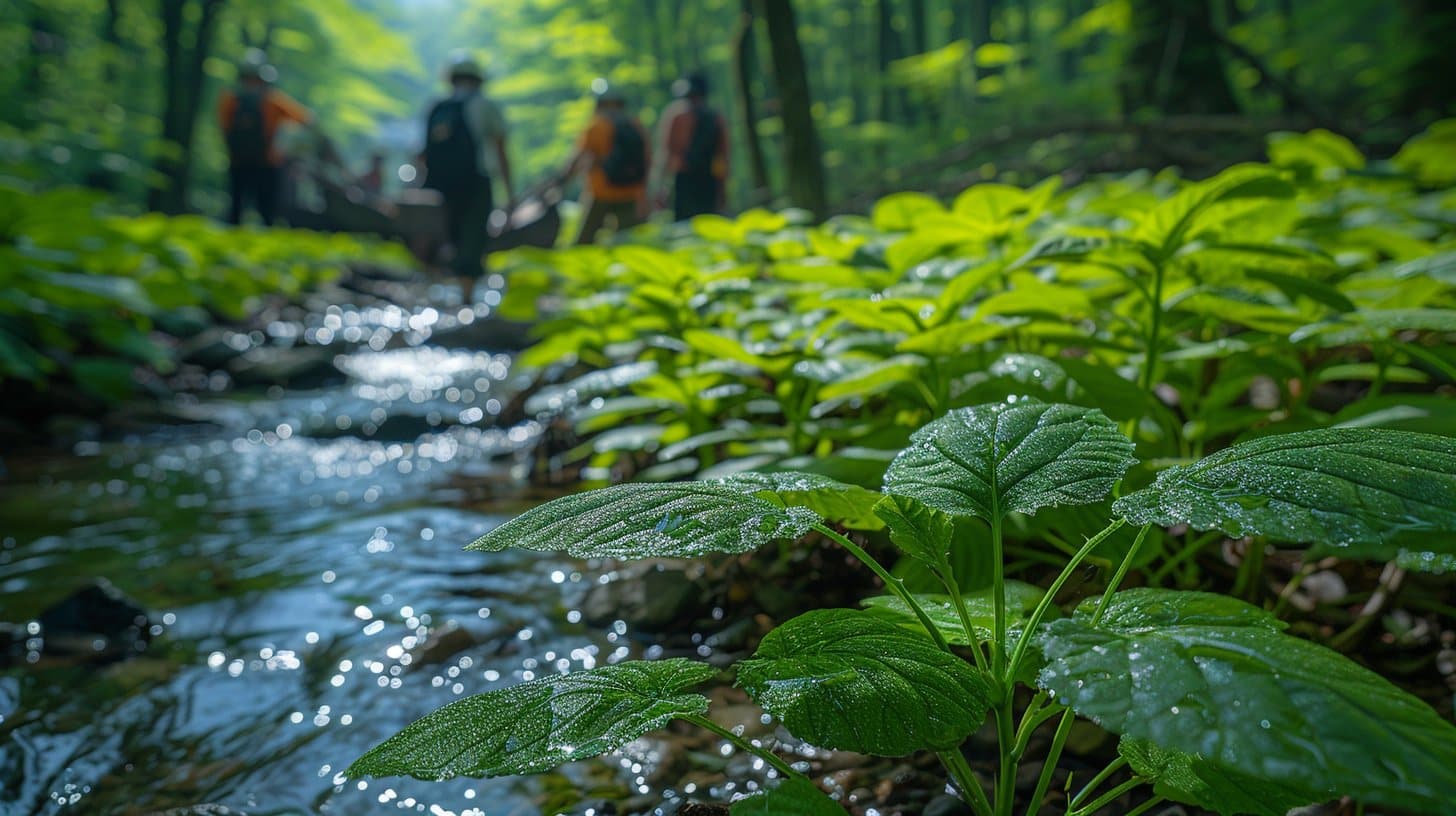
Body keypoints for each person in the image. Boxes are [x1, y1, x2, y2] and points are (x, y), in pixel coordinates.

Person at [421, 51, 513, 279]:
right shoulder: (486, 106)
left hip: (440, 186)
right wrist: (509, 192)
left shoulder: (437, 107)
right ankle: (466, 298)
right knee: (473, 239)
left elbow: (422, 154)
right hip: (476, 182)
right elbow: (500, 151)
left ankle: (435, 291)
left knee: (446, 235)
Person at [217, 55, 314, 226]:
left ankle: (232, 239)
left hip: (238, 161)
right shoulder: (273, 100)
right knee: (267, 208)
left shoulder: (230, 99)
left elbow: (224, 128)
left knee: (236, 205)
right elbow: (306, 119)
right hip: (267, 162)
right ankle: (266, 240)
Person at [561, 82, 650, 245]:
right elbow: (646, 160)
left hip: (601, 191)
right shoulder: (635, 125)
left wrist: (563, 182)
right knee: (628, 243)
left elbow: (578, 157)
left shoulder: (596, 126)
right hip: (630, 191)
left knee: (584, 241)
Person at [652, 71, 729, 221]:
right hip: (709, 181)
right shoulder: (716, 117)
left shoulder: (675, 115)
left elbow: (666, 153)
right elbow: (723, 156)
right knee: (709, 224)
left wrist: (660, 187)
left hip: (683, 180)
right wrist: (722, 187)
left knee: (684, 227)